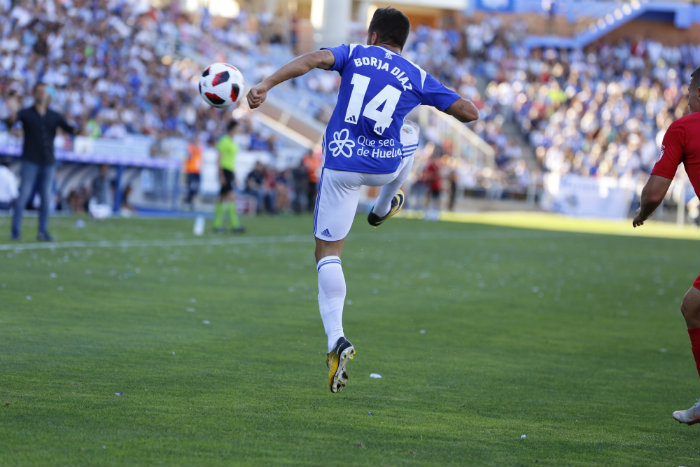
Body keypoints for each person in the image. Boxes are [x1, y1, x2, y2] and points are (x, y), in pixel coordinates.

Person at [247, 7, 479, 393]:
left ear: (372, 35)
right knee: (409, 132)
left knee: (328, 254)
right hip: (385, 168)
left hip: (341, 164)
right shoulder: (415, 75)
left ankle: (336, 338)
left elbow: (312, 60)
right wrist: (437, 96)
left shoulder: (355, 54)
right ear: (401, 44)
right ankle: (385, 205)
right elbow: (469, 113)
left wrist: (266, 85)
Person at [633, 66, 700, 425]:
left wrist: (642, 212)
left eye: (689, 90)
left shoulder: (684, 127)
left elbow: (656, 191)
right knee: (694, 306)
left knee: (694, 308)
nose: (686, 97)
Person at [6, 83, 78, 241]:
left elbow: (71, 130)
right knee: (23, 195)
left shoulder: (54, 115)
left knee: (46, 198)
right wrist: (11, 111)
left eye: (43, 92)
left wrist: (81, 126)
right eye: (38, 92)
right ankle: (15, 231)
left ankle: (42, 231)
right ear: (34, 94)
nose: (40, 95)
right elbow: (10, 122)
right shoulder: (26, 113)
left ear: (47, 95)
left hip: (47, 161)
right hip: (30, 160)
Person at [214, 120, 245, 233]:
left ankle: (217, 226)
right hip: (225, 171)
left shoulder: (233, 142)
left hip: (230, 171)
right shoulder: (224, 141)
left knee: (222, 199)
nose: (239, 129)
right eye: (238, 127)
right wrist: (220, 174)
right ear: (233, 128)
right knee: (232, 197)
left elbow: (232, 160)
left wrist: (234, 176)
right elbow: (219, 159)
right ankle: (235, 225)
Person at [184, 135, 203, 210]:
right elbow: (188, 156)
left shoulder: (199, 147)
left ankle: (190, 200)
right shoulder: (190, 147)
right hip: (190, 169)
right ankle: (189, 200)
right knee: (190, 186)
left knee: (196, 186)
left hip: (197, 170)